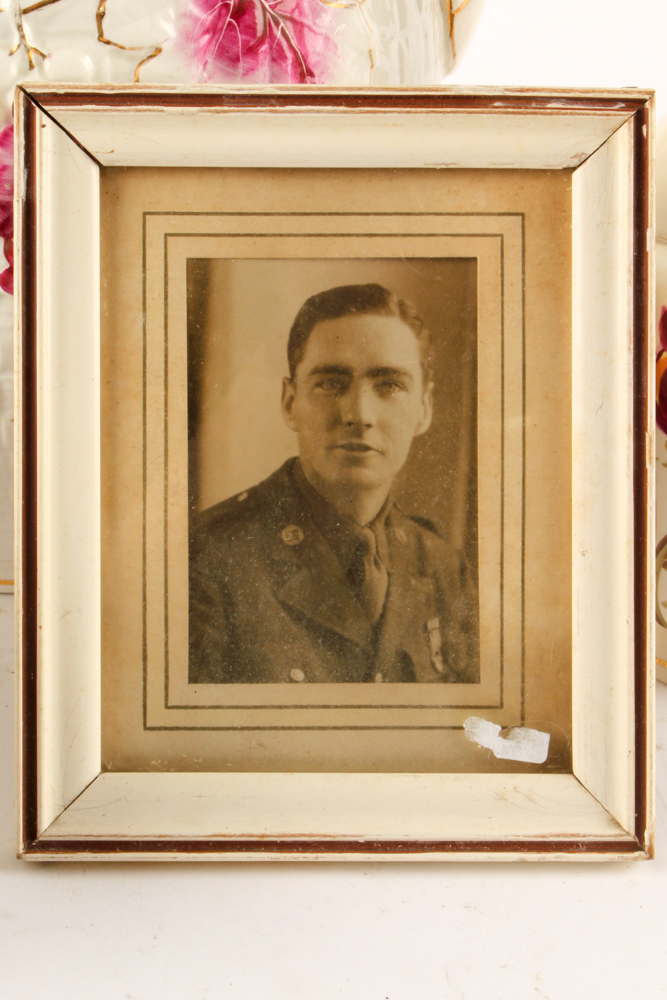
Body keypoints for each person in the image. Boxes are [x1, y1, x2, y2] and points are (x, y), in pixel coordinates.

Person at [189, 283, 478, 684]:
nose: (359, 413)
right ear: (290, 403)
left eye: (389, 385)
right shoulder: (206, 559)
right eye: (330, 383)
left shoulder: (445, 569)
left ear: (424, 409)